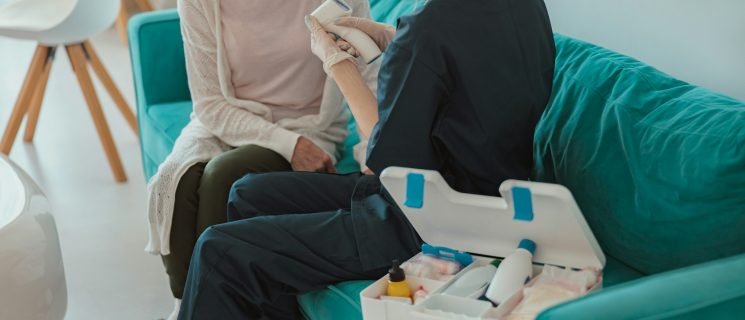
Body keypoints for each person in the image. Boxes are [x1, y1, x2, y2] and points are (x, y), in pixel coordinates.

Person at [178, 0, 556, 318]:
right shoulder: (524, 7)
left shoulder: (429, 29)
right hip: (473, 195)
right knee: (247, 192)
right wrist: (394, 41)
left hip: (426, 218)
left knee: (218, 249)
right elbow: (468, 71)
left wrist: (337, 64)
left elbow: (381, 162)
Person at [146, 0, 378, 318]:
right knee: (180, 178)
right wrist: (288, 145)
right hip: (225, 118)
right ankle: (187, 305)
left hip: (307, 126)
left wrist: (375, 153)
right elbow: (210, 104)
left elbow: (370, 74)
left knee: (223, 177)